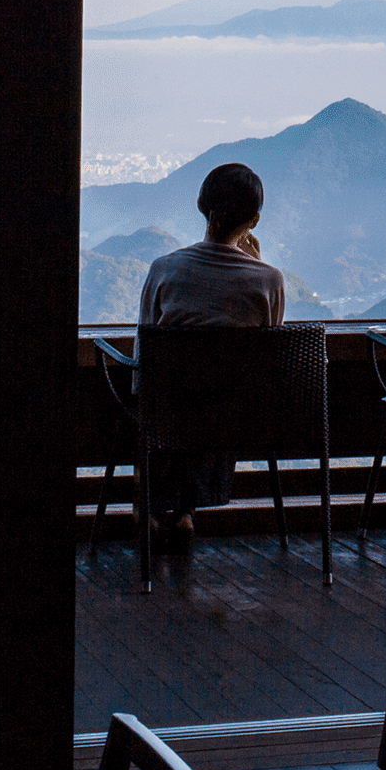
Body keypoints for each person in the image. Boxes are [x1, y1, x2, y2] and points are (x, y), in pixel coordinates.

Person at [134, 162, 286, 552]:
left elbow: (144, 350)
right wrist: (257, 262)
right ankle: (186, 511)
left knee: (172, 398)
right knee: (213, 397)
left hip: (166, 413)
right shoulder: (269, 281)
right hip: (234, 418)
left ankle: (149, 508)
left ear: (201, 203)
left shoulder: (164, 269)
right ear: (254, 220)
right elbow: (267, 353)